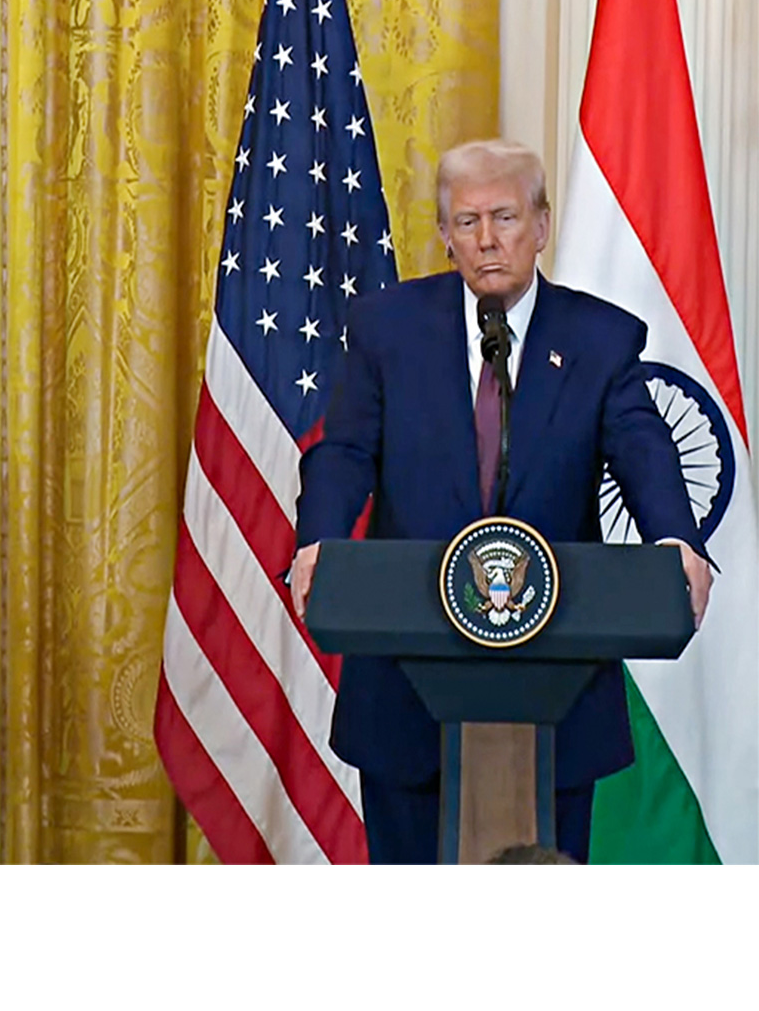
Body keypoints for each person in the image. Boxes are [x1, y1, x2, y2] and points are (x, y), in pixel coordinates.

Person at [288, 139, 712, 864]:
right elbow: (345, 450)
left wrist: (677, 538)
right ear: (445, 235)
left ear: (542, 226)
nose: (487, 241)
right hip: (405, 697)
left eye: (506, 218)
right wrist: (318, 538)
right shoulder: (387, 328)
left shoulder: (600, 338)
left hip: (558, 694)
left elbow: (642, 446)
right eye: (467, 221)